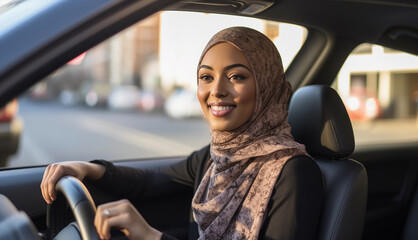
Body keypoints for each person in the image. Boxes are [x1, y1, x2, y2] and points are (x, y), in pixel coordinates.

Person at [41, 27, 323, 240]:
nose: (216, 90)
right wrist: (85, 168)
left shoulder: (293, 172)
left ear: (267, 86)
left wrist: (152, 236)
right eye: (206, 76)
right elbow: (151, 180)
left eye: (236, 76)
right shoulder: (214, 159)